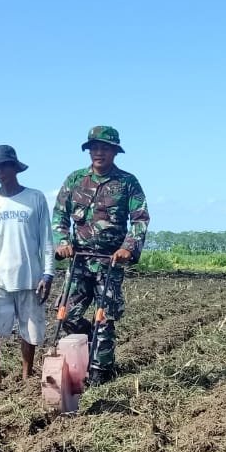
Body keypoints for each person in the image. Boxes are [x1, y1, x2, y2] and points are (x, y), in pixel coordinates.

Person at [52, 125, 150, 386]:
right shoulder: (75, 180)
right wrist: (63, 242)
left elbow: (140, 219)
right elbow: (59, 215)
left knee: (104, 317)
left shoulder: (127, 182)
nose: (99, 153)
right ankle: (89, 341)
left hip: (109, 262)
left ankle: (101, 371)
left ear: (114, 152)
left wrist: (128, 247)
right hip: (79, 260)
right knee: (67, 316)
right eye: (94, 148)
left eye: (105, 148)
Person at [0, 144, 55, 386]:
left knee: (29, 331)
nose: (0, 172)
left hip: (29, 275)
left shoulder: (35, 198)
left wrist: (48, 274)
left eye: (5, 166)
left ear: (15, 167)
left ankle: (26, 376)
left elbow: (46, 239)